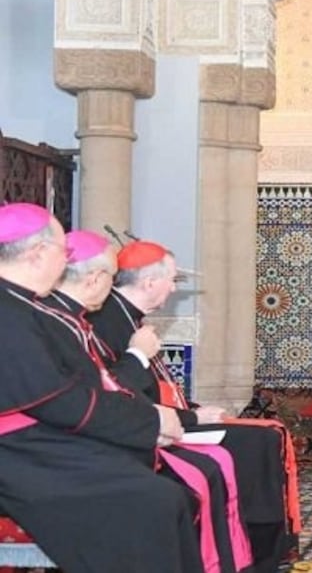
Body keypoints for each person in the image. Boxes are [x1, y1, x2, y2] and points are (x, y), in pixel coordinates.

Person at [0, 203, 204, 573]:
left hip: (33, 442)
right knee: (152, 500)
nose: (64, 264)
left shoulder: (22, 305)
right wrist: (151, 423)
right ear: (38, 253)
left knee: (161, 492)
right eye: (62, 253)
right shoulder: (9, 312)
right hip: (16, 454)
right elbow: (62, 402)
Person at [43, 230, 252, 573]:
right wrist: (141, 363)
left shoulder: (70, 318)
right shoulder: (51, 319)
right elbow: (88, 397)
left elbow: (101, 391)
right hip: (56, 450)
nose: (113, 287)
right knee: (170, 495)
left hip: (90, 434)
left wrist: (175, 417)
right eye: (111, 277)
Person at [89, 238, 296, 569]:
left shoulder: (128, 317)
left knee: (266, 436)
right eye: (171, 280)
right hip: (140, 432)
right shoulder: (105, 323)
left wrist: (190, 413)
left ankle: (264, 547)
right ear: (149, 282)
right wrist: (190, 418)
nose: (173, 289)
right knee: (253, 444)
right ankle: (254, 551)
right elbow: (114, 392)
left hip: (161, 418)